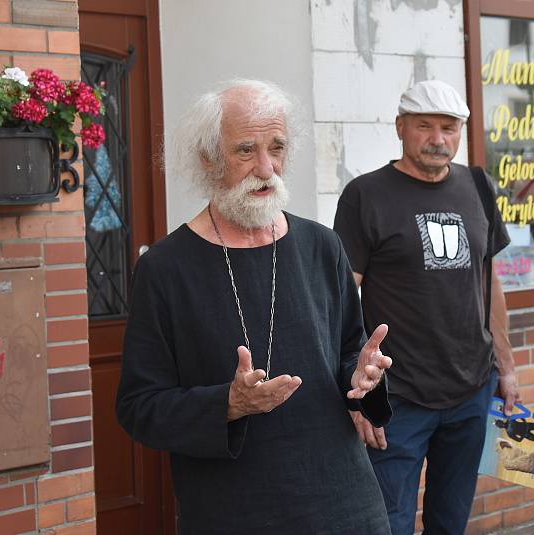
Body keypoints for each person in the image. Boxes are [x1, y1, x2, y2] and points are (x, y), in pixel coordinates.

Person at [116, 80, 394, 535]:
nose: (267, 167)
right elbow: (138, 407)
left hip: (344, 505)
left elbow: (349, 352)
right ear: (208, 158)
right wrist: (227, 403)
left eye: (277, 147)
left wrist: (363, 377)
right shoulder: (165, 269)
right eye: (246, 150)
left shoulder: (321, 245)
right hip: (234, 511)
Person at [333, 79, 520, 534]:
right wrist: (355, 389)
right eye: (425, 126)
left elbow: (487, 280)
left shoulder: (478, 184)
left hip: (473, 388)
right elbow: (339, 299)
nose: (439, 139)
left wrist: (507, 367)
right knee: (387, 522)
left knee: (451, 521)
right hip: (398, 397)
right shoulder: (366, 194)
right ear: (401, 127)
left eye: (449, 128)